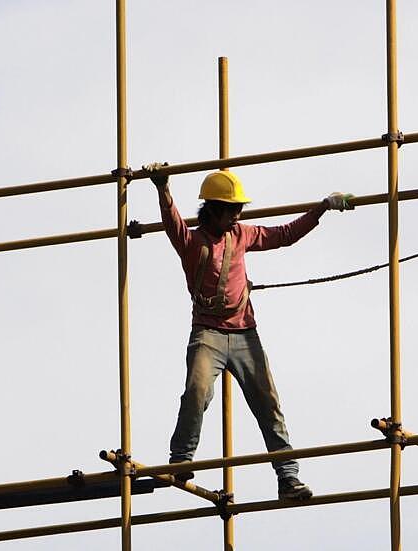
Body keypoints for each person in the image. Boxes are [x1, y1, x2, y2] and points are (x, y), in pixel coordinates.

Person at [143, 162, 355, 500]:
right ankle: (180, 459)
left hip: (244, 334)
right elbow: (172, 221)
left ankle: (288, 478)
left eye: (239, 210)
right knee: (197, 391)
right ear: (213, 210)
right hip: (207, 334)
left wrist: (322, 207)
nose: (237, 217)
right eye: (232, 210)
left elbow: (284, 235)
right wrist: (162, 188)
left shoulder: (241, 235)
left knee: (268, 403)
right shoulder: (191, 241)